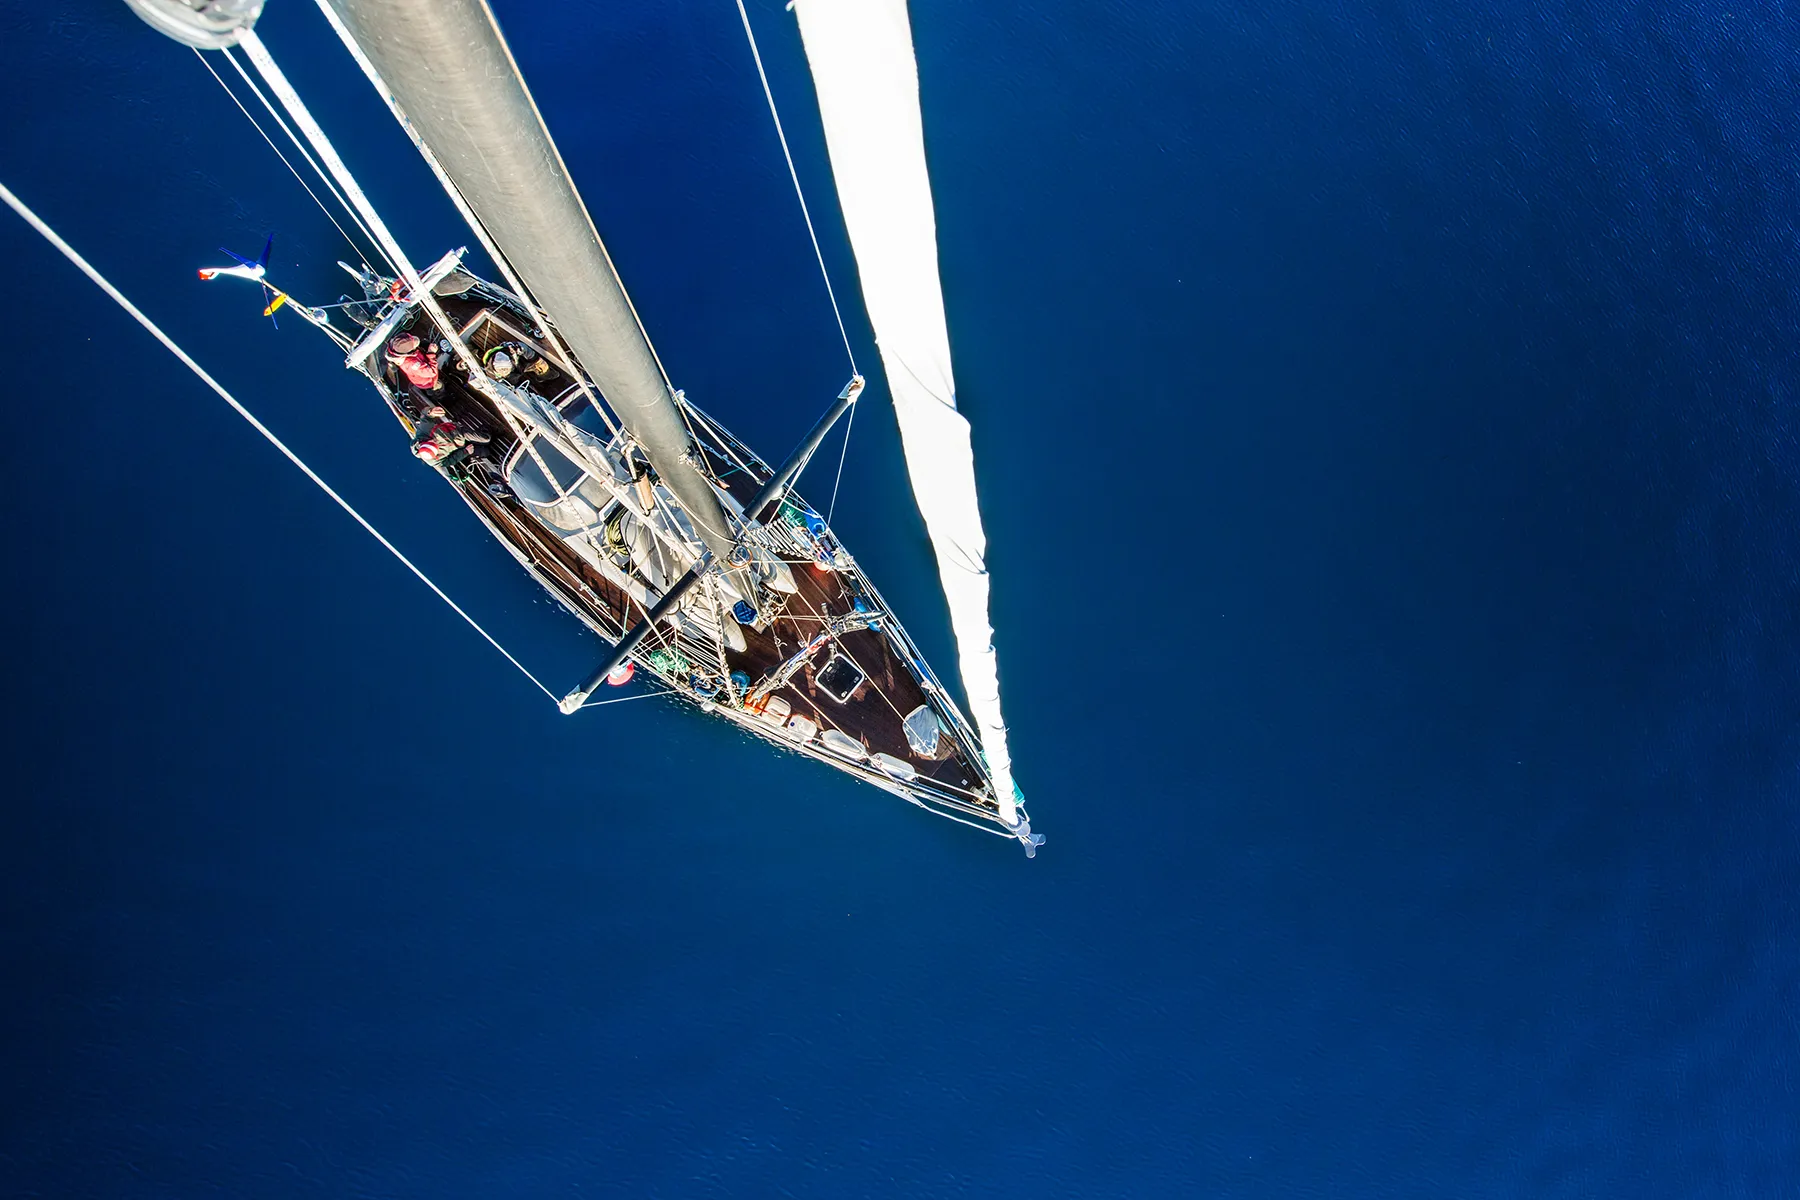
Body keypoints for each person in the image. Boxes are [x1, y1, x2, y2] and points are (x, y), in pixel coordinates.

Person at [410, 403, 490, 477]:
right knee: (485, 452)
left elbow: (425, 416)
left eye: (432, 442)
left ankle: (487, 427)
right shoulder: (434, 461)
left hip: (458, 433)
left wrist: (430, 412)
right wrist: (465, 452)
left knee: (486, 438)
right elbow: (450, 460)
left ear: (425, 442)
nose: (436, 442)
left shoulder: (424, 431)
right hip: (460, 447)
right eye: (436, 446)